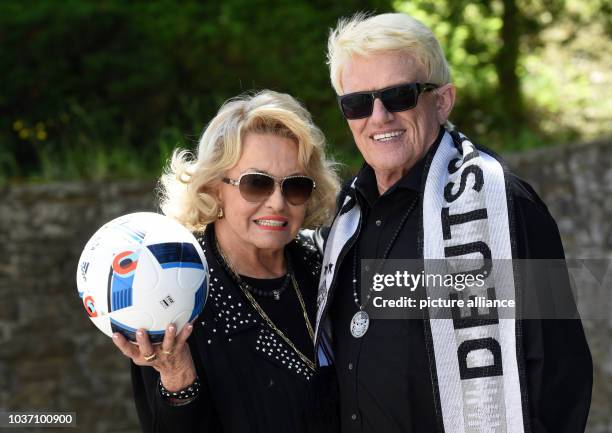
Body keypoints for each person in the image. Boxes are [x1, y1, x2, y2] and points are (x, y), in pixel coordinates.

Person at [314, 12, 592, 433]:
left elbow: (559, 376)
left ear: (442, 100)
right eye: (357, 102)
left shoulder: (506, 206)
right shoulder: (345, 217)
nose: (378, 117)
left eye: (399, 95)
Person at [112, 90, 340, 433]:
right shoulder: (172, 288)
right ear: (215, 186)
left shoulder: (324, 264)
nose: (277, 202)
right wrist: (178, 377)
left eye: (295, 186)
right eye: (256, 184)